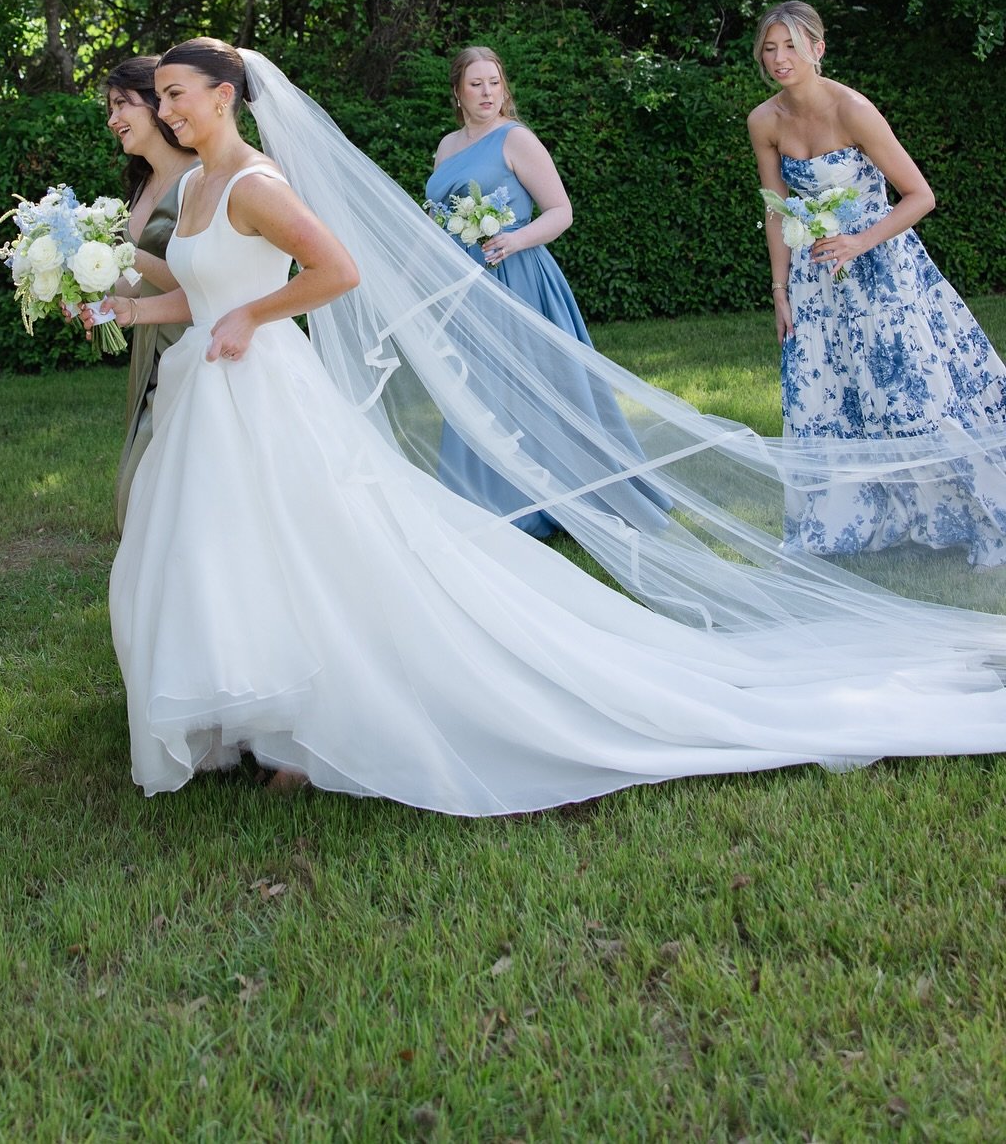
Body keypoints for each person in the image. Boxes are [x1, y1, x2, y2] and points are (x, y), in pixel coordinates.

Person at [101, 41, 1006, 816]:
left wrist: (253, 319)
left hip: (262, 386)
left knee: (301, 543)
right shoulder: (197, 189)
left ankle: (313, 718)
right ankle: (251, 715)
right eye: (162, 97)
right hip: (212, 390)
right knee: (220, 545)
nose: (164, 108)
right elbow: (199, 289)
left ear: (224, 96)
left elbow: (336, 271)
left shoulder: (257, 180)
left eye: (176, 93)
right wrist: (124, 312)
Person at [748, 0, 1006, 564]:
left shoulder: (854, 109)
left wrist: (861, 241)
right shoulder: (764, 121)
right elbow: (776, 211)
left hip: (883, 272)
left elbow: (920, 195)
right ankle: (848, 520)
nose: (779, 58)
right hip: (816, 281)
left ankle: (978, 513)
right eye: (770, 48)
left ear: (818, 48)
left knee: (911, 393)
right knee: (825, 395)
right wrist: (781, 290)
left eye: (791, 45)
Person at [426, 45, 666, 532]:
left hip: (517, 275)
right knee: (477, 383)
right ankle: (485, 496)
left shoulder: (516, 139)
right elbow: (440, 218)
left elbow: (561, 211)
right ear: (457, 92)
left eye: (494, 82)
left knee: (536, 383)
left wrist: (515, 238)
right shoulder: (447, 146)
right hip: (466, 283)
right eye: (476, 84)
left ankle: (564, 497)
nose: (487, 93)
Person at [104, 55, 199, 530]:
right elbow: (133, 282)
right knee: (141, 491)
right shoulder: (140, 187)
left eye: (123, 104)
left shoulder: (200, 180)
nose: (113, 119)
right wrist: (92, 293)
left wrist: (124, 257)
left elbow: (204, 282)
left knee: (159, 493)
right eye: (111, 108)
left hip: (192, 349)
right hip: (149, 348)